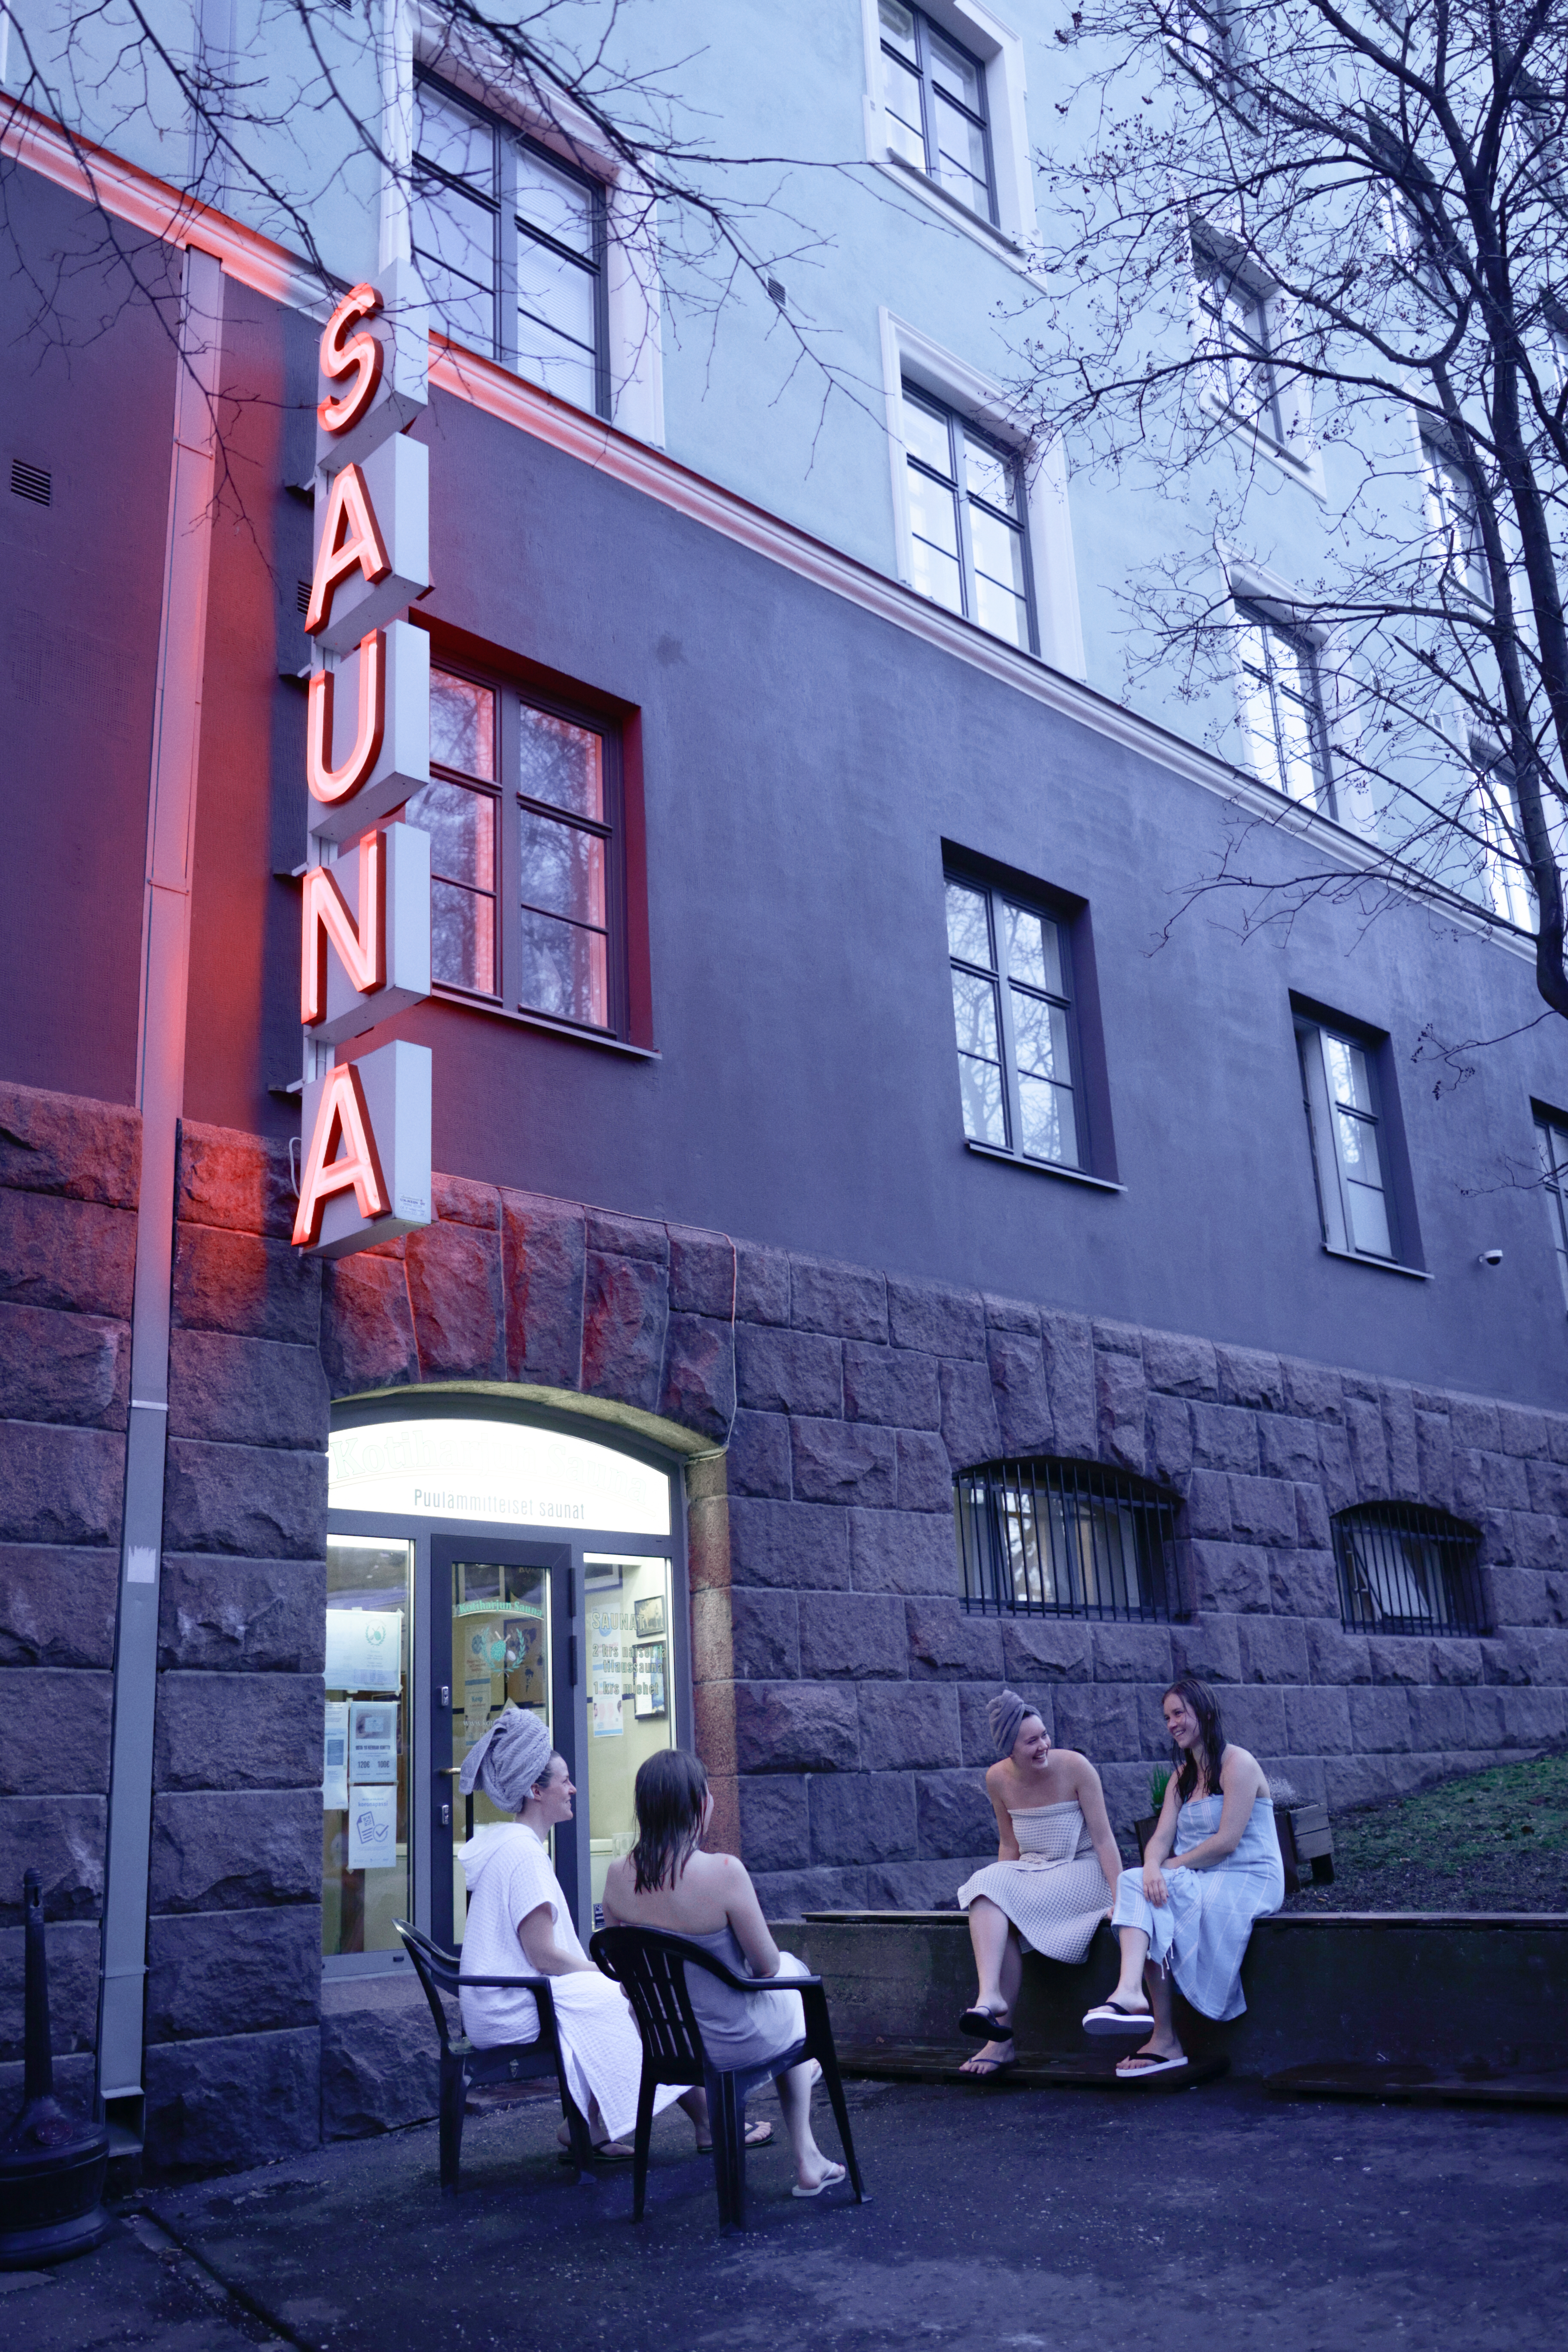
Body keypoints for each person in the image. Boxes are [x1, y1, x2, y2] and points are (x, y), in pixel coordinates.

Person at [457, 1704, 708, 2160]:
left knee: (626, 1996)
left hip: (502, 1999)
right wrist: (604, 1973)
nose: (572, 1788)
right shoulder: (523, 1854)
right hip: (512, 2006)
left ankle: (591, 2126)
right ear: (536, 1790)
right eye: (563, 1781)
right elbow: (544, 1955)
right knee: (637, 1998)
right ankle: (703, 2121)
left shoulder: (508, 1846)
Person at [603, 1748, 845, 2198]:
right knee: (794, 1974)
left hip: (670, 2046)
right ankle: (806, 2150)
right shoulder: (724, 1872)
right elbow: (767, 1966)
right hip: (736, 2041)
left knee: (788, 2000)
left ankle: (809, 2140)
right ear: (698, 1804)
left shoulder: (617, 1878)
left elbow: (623, 1972)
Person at [1081, 1675, 1284, 2079]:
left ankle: (1157, 2027)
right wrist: (1154, 1866)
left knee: (1138, 1891)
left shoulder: (1237, 1764)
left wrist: (1168, 1868)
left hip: (1247, 1876)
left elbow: (1228, 1842)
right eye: (1167, 1717)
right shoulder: (1181, 1778)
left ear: (1204, 1713)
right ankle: (1139, 2006)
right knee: (1139, 1885)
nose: (1172, 1723)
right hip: (1201, 1876)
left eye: (1179, 1713)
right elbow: (1159, 1840)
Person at [952, 1688, 1122, 2078]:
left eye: (1044, 1735)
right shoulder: (997, 1778)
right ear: (1010, 1749)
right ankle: (992, 2010)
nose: (1044, 1745)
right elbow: (1009, 1843)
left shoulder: (1077, 1767)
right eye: (1032, 1741)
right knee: (985, 1886)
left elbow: (1104, 1839)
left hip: (1083, 1872)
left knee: (994, 1888)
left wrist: (1121, 1898)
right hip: (1034, 1870)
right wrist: (1000, 1893)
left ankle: (997, 2031)